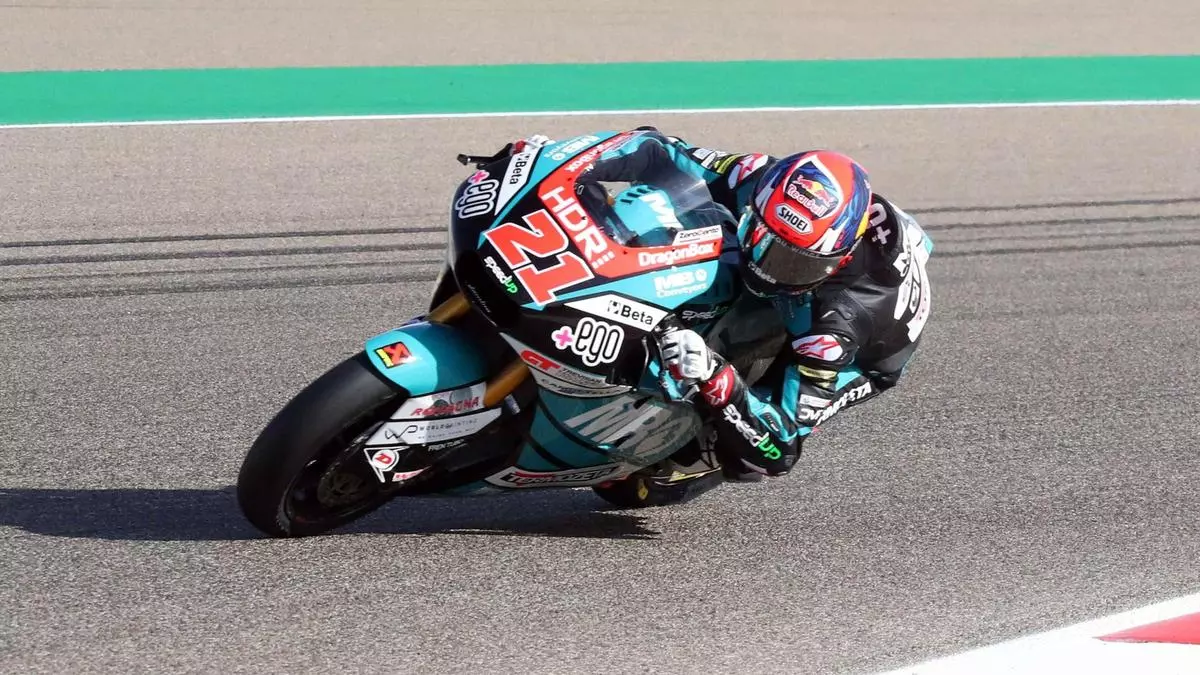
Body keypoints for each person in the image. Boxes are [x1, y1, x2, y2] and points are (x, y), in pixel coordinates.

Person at [514, 129, 934, 478]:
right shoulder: (755, 176)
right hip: (816, 267)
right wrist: (559, 163)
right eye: (764, 238)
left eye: (793, 263)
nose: (769, 269)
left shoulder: (835, 328)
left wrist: (717, 377)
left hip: (867, 350)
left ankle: (673, 464)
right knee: (672, 219)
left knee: (735, 455)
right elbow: (657, 150)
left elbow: (781, 449)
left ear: (837, 258)